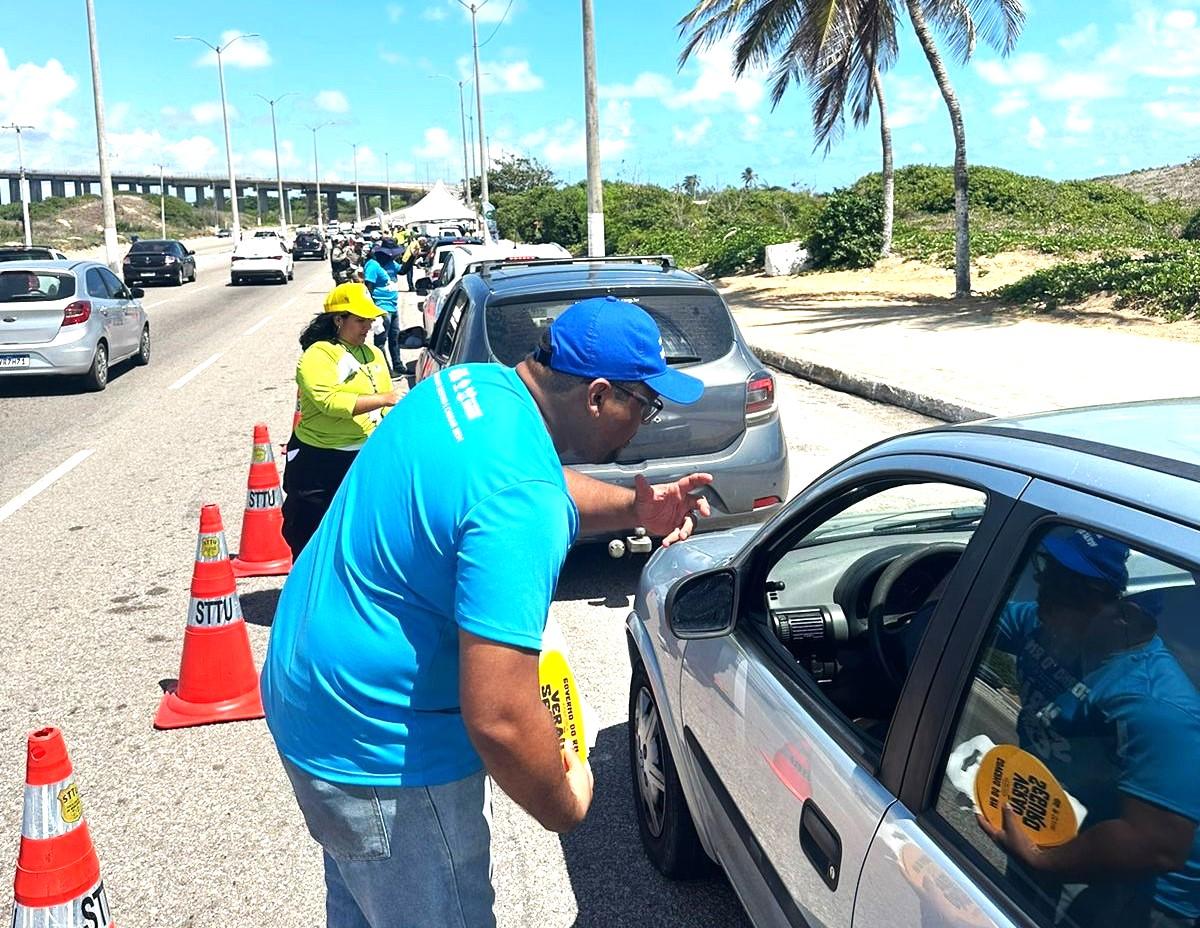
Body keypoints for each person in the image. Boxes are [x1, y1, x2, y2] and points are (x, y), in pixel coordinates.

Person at [262, 296, 713, 928]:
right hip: (385, 747)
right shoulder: (520, 502)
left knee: (367, 902)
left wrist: (638, 509)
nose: (646, 422)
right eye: (645, 405)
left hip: (309, 687)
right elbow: (500, 716)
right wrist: (567, 805)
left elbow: (527, 483)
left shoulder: (470, 388)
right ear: (599, 396)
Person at [978, 527, 1200, 927]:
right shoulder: (1047, 626)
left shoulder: (1155, 704)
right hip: (1056, 816)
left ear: (1124, 612)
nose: (1045, 591)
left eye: (1071, 587)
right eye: (1047, 572)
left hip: (1145, 886)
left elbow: (1155, 845)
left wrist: (1041, 858)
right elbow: (968, 616)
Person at [280, 282, 401, 558]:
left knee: (358, 534)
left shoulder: (374, 354)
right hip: (318, 460)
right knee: (308, 533)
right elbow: (329, 402)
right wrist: (385, 399)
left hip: (361, 456)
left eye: (369, 320)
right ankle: (307, 593)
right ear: (338, 320)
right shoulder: (318, 354)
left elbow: (384, 404)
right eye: (360, 320)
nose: (367, 327)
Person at [363, 237, 405, 375]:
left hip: (393, 306)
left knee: (395, 338)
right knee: (380, 341)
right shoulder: (373, 265)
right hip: (381, 308)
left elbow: (403, 270)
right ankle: (385, 371)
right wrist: (371, 311)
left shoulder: (391, 263)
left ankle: (398, 365)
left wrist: (412, 258)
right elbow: (368, 287)